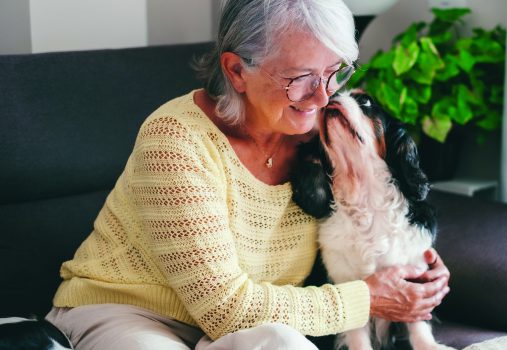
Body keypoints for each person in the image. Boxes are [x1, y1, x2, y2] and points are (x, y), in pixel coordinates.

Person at [45, 0, 450, 349]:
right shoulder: (175, 141)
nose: (323, 96)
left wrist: (414, 270)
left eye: (335, 72)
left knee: (285, 343)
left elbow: (372, 215)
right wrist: (369, 299)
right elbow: (224, 309)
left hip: (240, 329)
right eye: (300, 78)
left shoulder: (318, 138)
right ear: (237, 71)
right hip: (129, 314)